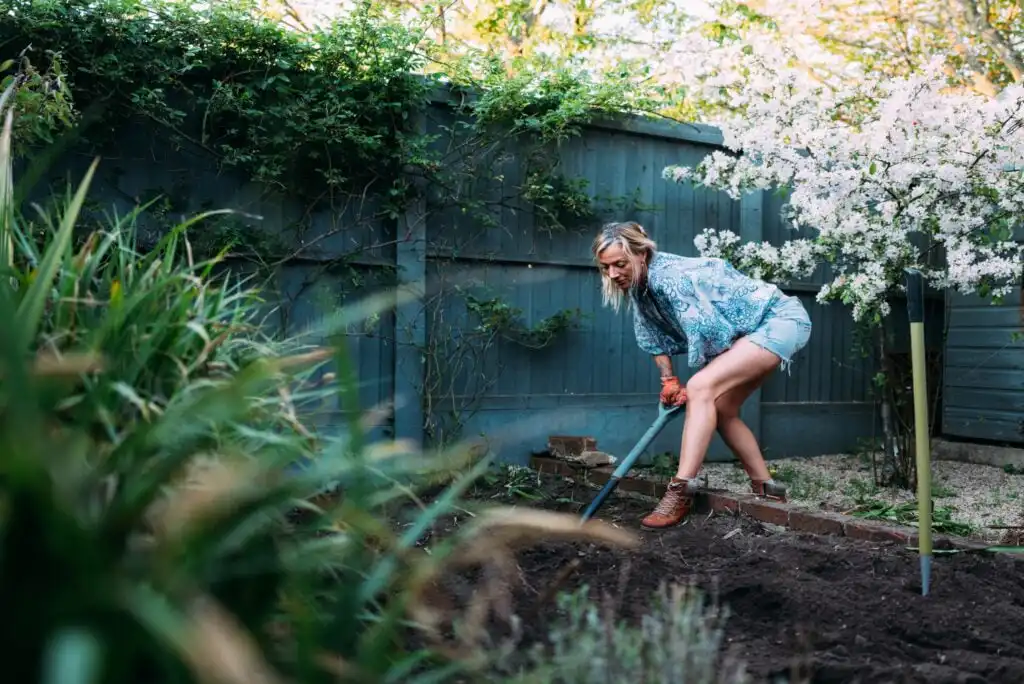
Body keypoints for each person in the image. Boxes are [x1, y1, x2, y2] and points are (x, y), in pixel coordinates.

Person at [592, 221, 812, 529]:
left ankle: (681, 490)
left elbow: (710, 331)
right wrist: (668, 380)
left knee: (701, 387)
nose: (613, 274)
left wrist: (693, 388)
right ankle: (767, 491)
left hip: (779, 320)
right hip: (752, 330)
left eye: (619, 264)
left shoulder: (672, 278)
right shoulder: (640, 285)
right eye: (606, 268)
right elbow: (650, 334)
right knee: (721, 409)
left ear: (642, 254)